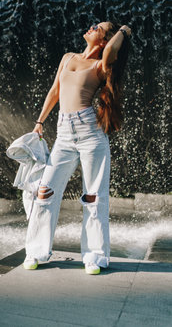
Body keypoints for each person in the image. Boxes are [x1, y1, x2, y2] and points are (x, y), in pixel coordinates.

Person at [23, 21, 131, 275]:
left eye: (98, 28)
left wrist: (124, 31)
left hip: (90, 134)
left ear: (104, 41)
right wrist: (39, 122)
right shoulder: (68, 57)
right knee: (45, 191)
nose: (91, 27)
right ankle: (36, 250)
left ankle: (95, 256)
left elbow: (110, 53)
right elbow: (55, 91)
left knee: (94, 197)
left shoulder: (101, 65)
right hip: (63, 132)